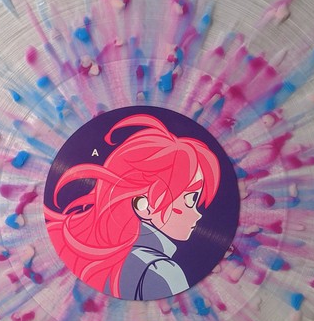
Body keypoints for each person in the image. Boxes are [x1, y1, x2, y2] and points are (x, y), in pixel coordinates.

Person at [44, 113, 221, 300]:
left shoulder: (114, 262)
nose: (198, 214)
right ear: (144, 205)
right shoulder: (162, 273)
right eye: (190, 199)